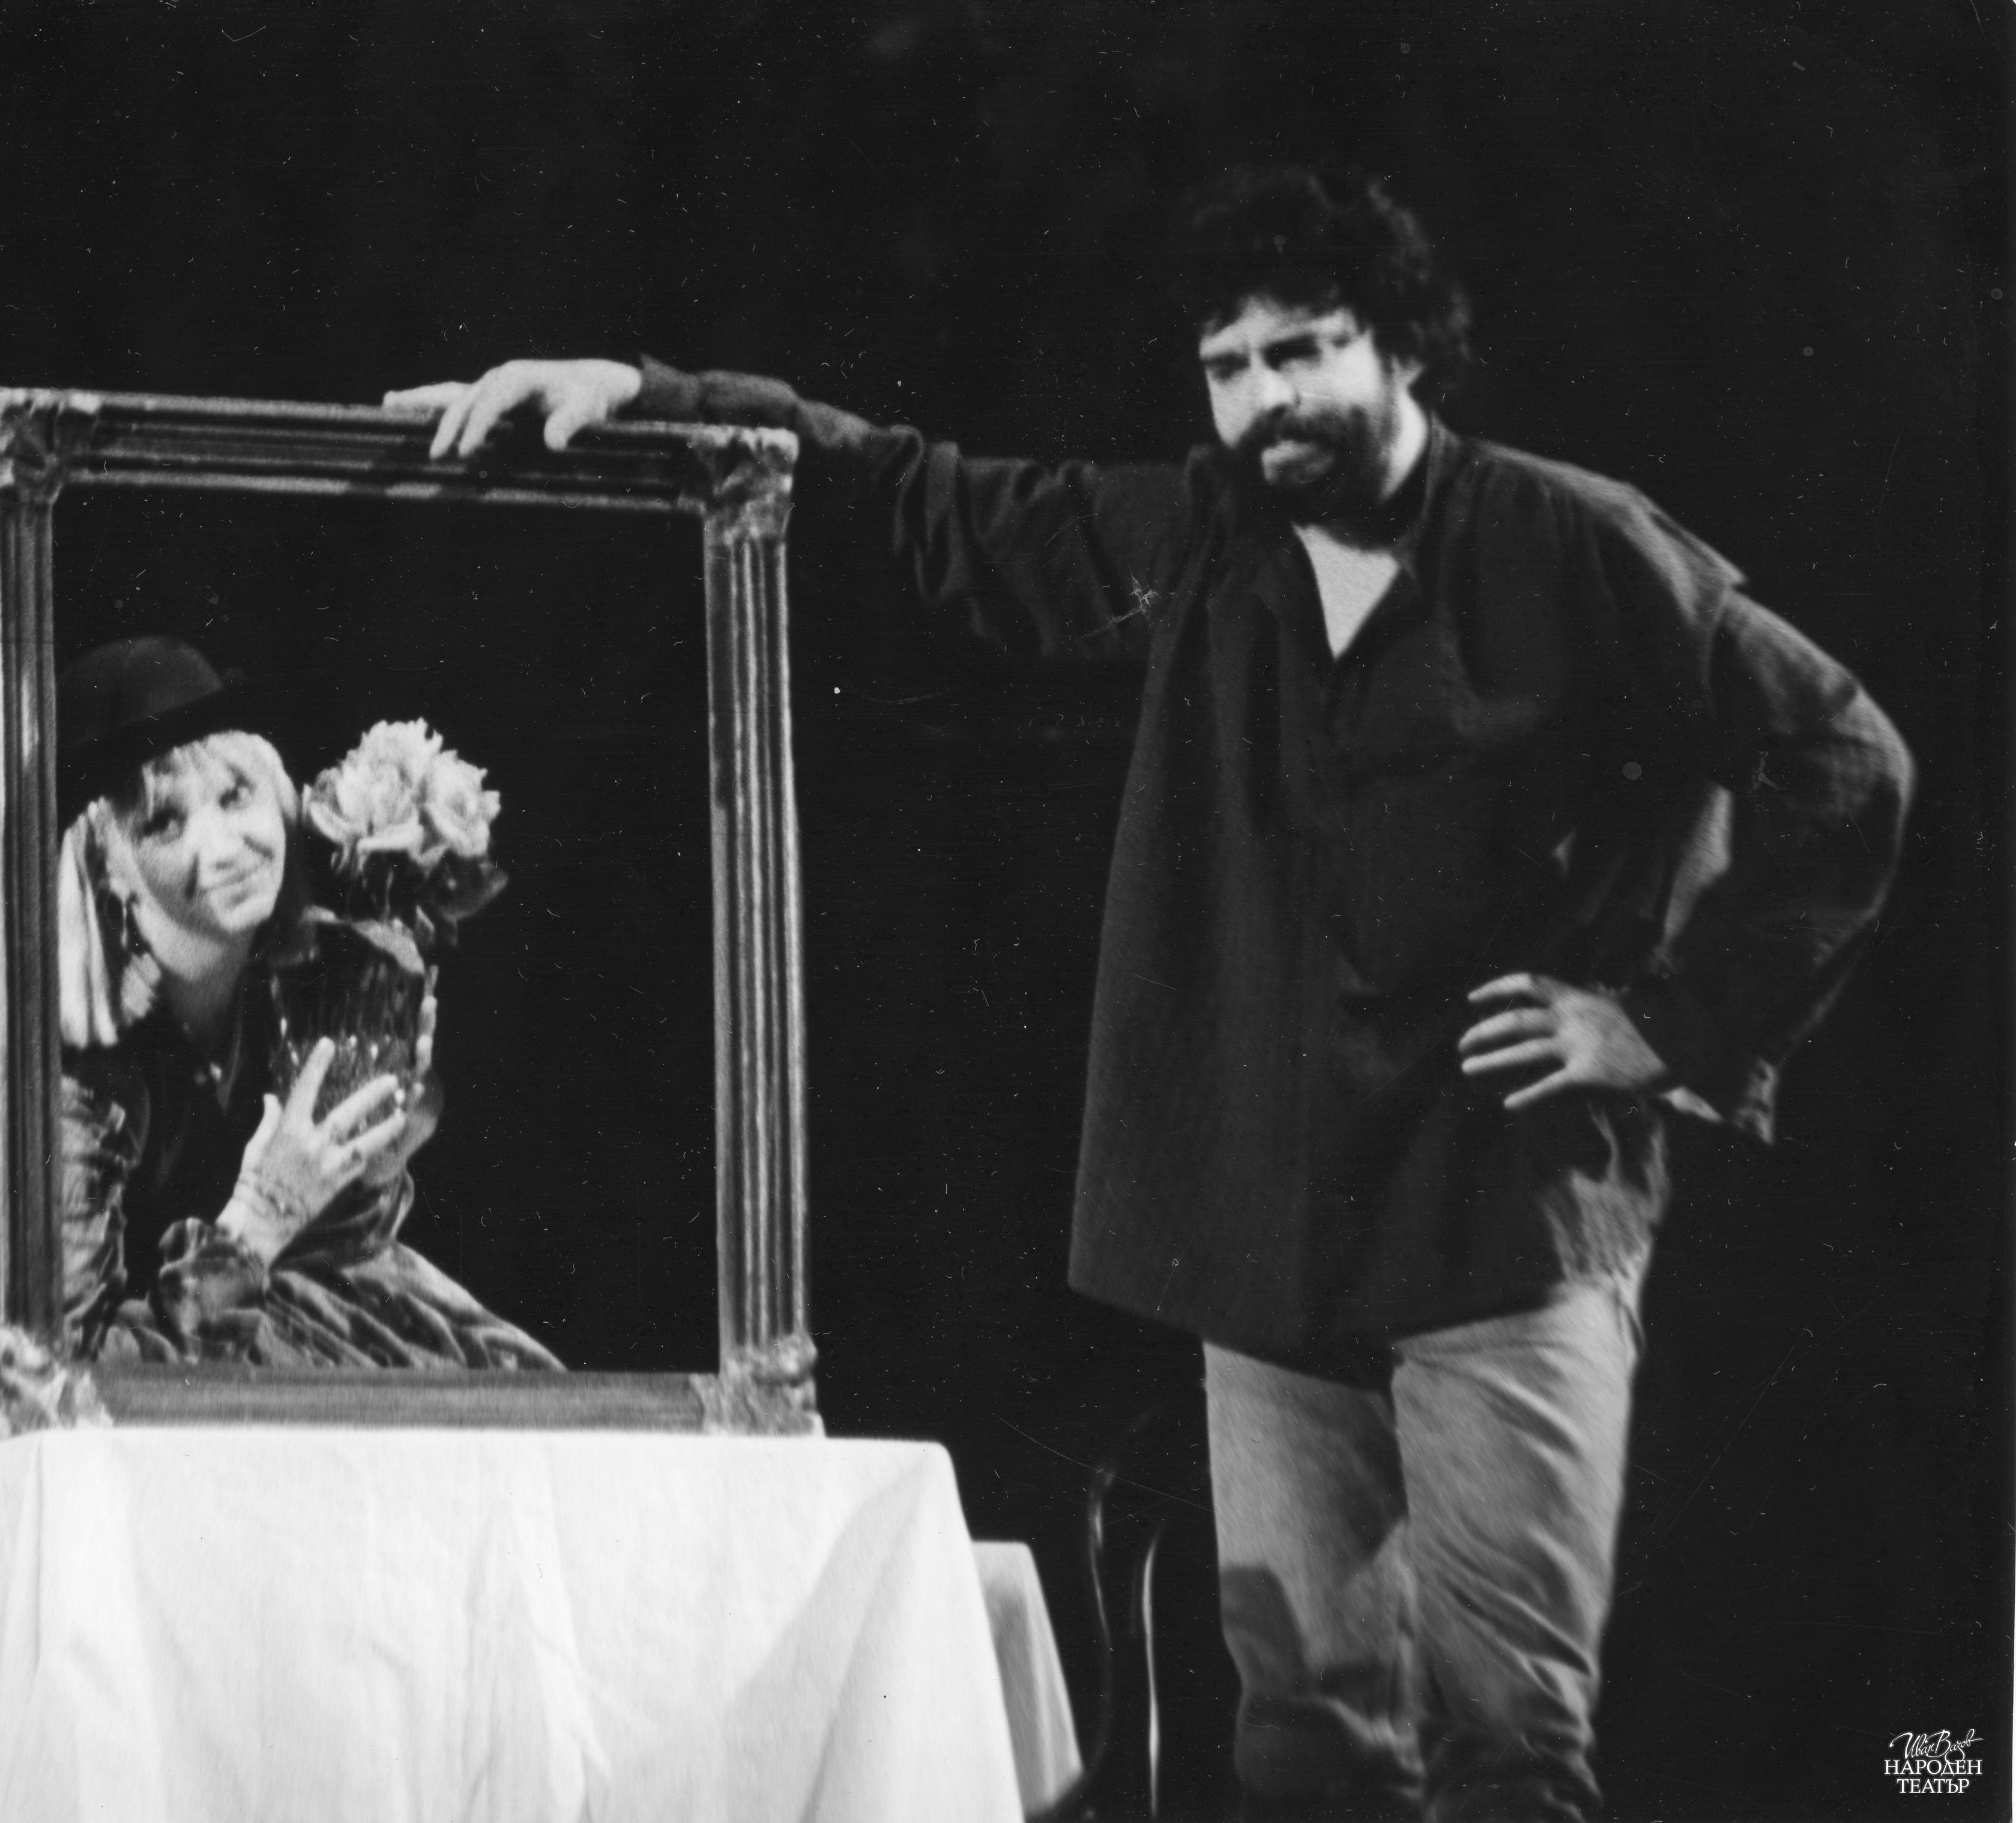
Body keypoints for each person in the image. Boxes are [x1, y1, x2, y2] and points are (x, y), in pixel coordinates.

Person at [386, 166, 1914, 1821]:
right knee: (1305, 1738)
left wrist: (1665, 1025)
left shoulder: (1568, 539)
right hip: (1274, 1251)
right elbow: (924, 499)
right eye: (1227, 367)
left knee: (1507, 1743)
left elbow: (1843, 758)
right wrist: (647, 394)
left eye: (1302, 351)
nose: (1264, 400)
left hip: (1496, 1226)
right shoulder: (1206, 539)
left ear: (1403, 349)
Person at [0, 636, 560, 1463]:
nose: (225, 846)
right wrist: (260, 1219)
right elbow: (60, 1385)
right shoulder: (55, 1063)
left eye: (235, 796)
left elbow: (339, 1250)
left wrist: (373, 1156)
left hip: (243, 1308)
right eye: (165, 823)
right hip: (36, 1376)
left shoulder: (316, 974)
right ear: (109, 868)